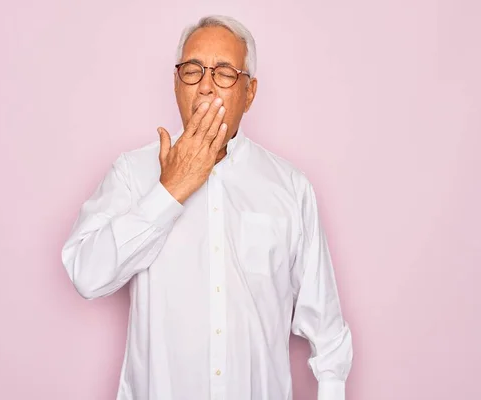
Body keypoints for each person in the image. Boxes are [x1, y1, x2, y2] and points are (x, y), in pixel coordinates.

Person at [62, 14, 353, 400]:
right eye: (193, 71)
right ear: (176, 83)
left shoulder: (290, 187)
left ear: (249, 94)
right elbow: (86, 273)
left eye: (225, 73)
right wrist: (168, 192)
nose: (205, 86)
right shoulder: (133, 173)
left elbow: (327, 326)